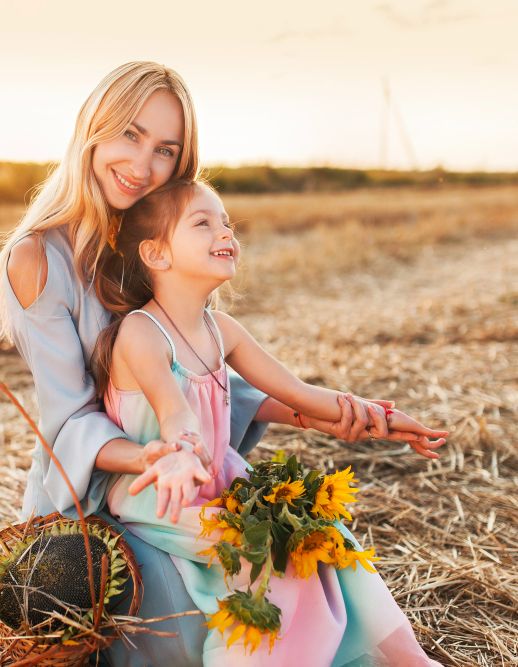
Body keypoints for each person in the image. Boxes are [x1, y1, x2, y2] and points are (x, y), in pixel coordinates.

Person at [0, 61, 423, 665]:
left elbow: (200, 381)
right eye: (130, 135)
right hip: (106, 491)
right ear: (93, 127)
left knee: (319, 545)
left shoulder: (156, 241)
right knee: (194, 622)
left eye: (165, 150)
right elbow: (68, 423)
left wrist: (328, 414)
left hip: (187, 470)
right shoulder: (38, 259)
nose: (143, 166)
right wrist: (162, 456)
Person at [92, 177, 447, 666]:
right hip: (159, 493)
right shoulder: (140, 331)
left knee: (325, 536)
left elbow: (300, 394)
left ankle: (401, 658)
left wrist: (378, 416)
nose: (225, 233)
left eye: (227, 223)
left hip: (217, 481)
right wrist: (180, 455)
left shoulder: (224, 330)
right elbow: (176, 412)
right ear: (156, 254)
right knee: (271, 555)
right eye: (203, 223)